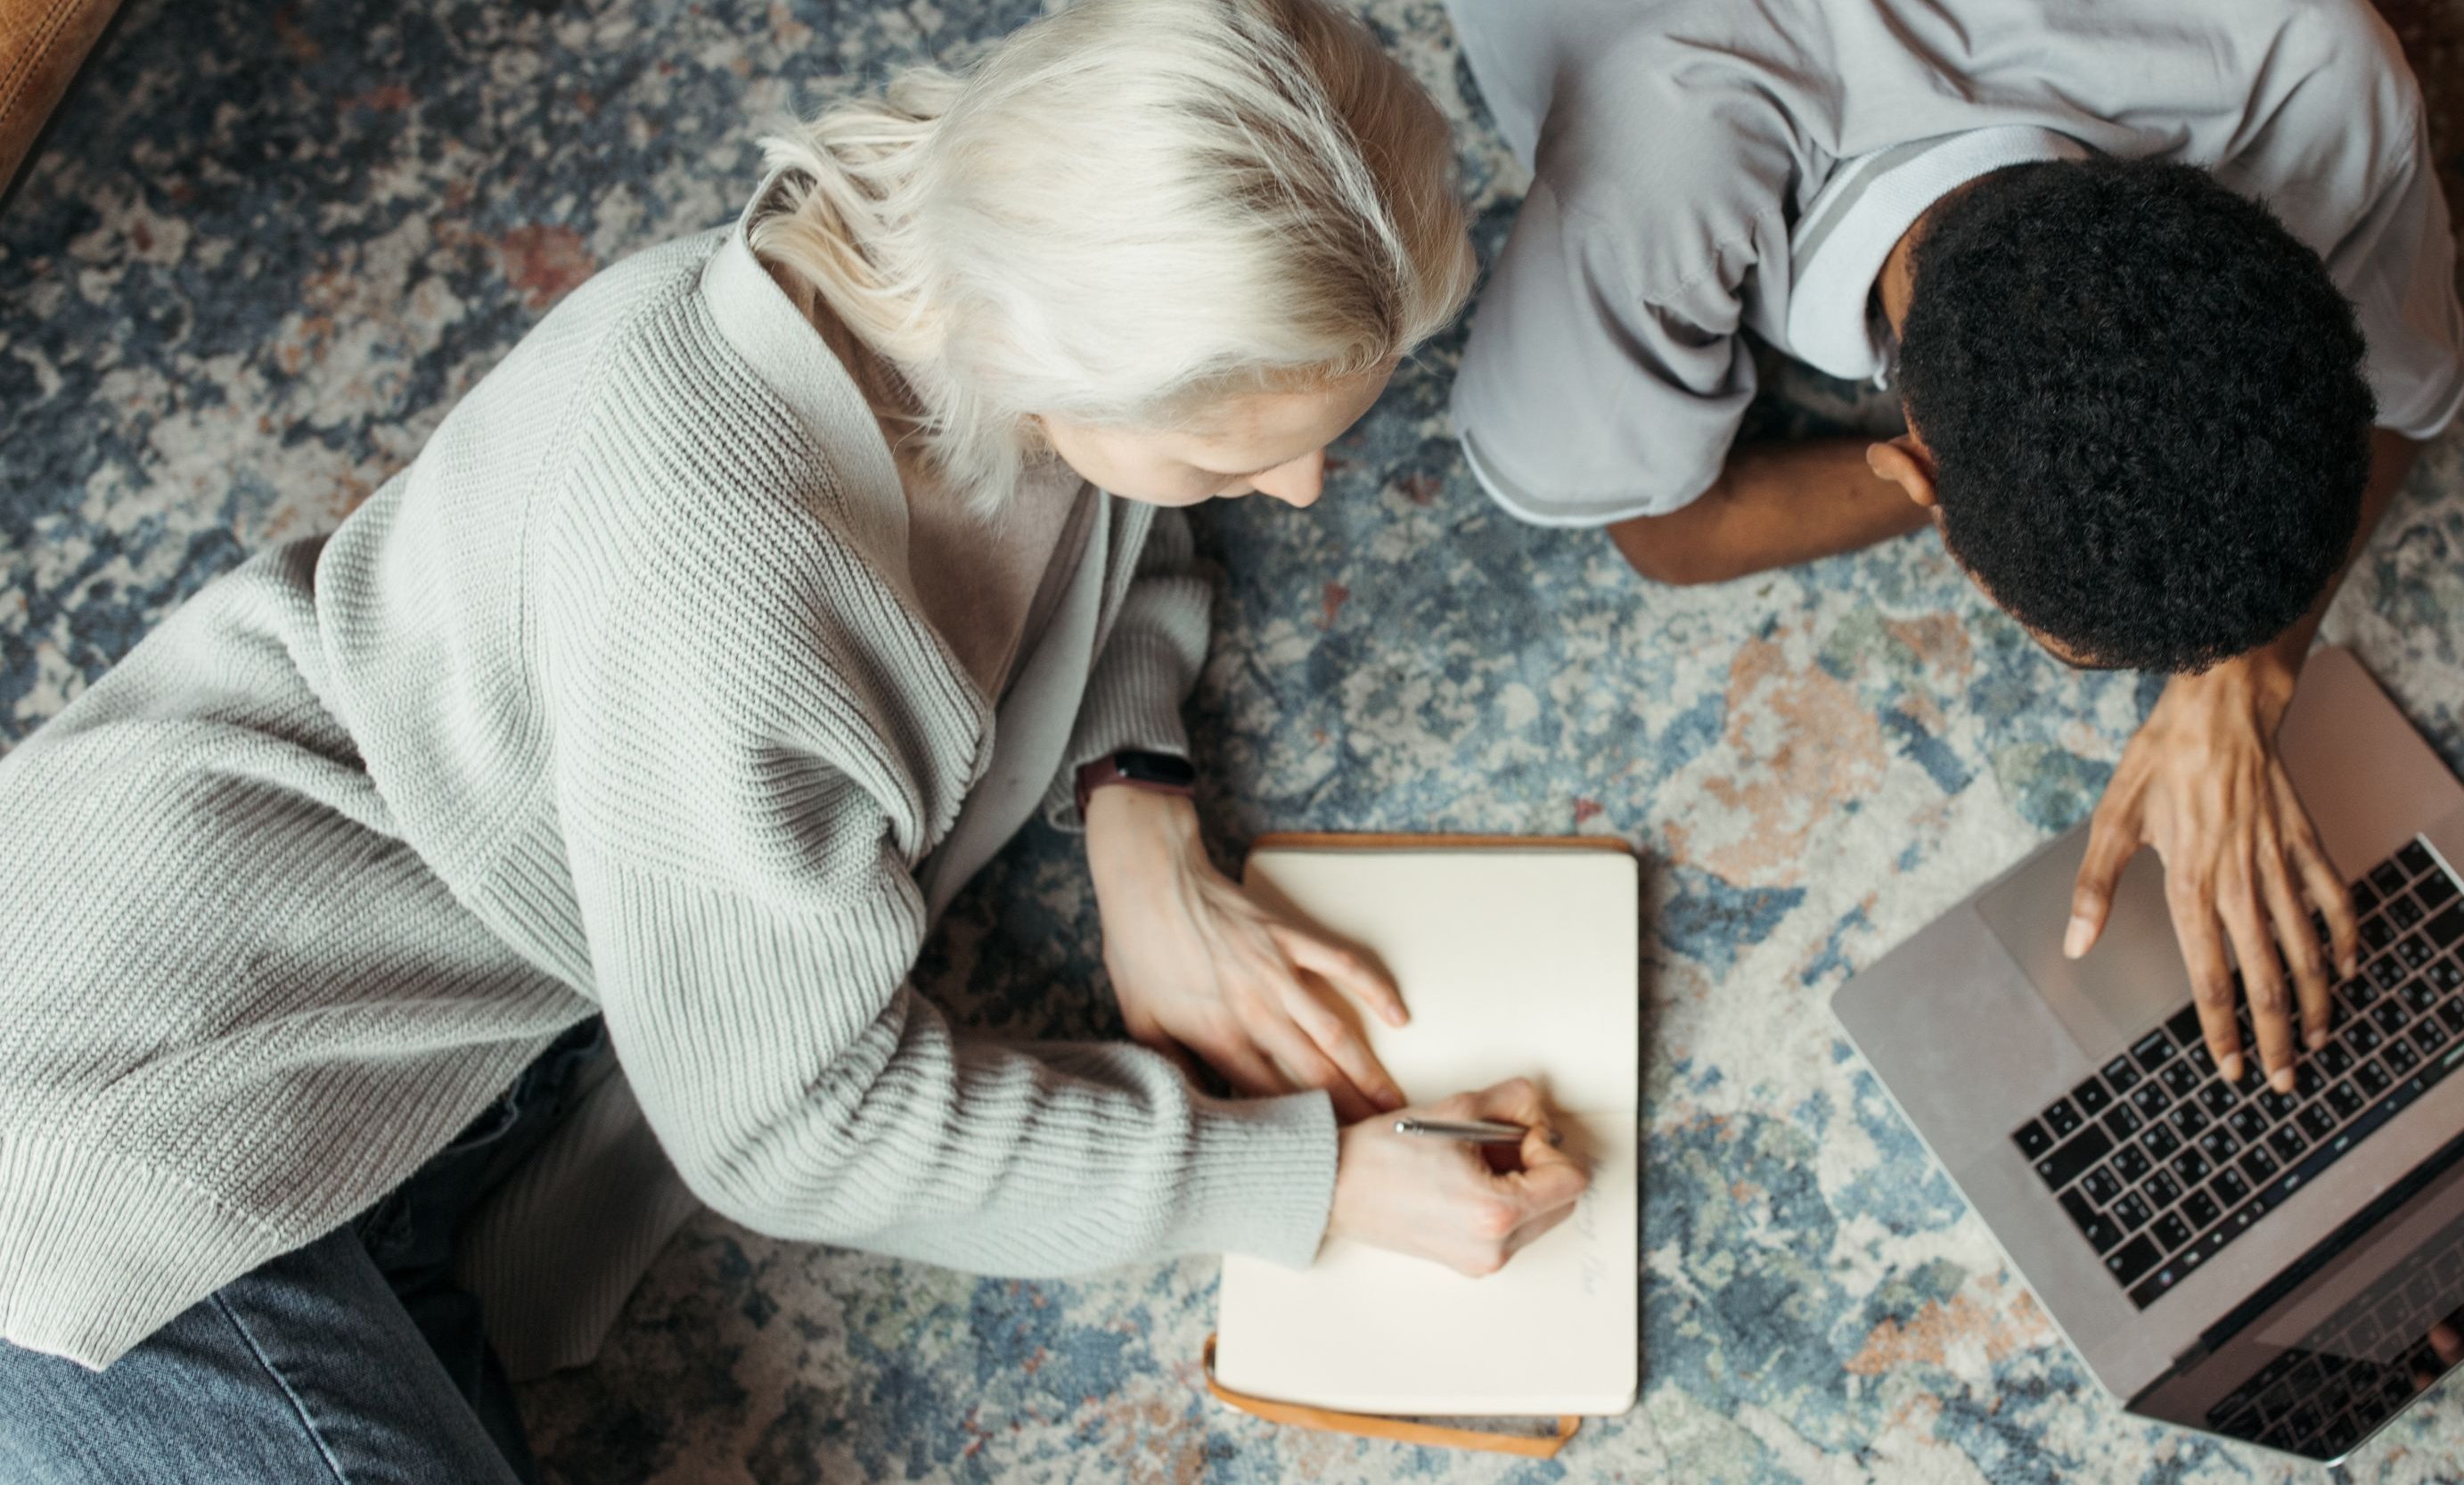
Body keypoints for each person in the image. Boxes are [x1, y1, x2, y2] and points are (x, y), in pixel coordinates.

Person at [0, 3, 1584, 1480]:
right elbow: (791, 1120)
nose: (1302, 494)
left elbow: (1106, 521)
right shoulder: (737, 581)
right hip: (111, 1121)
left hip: (382, 1091)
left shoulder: (957, 261)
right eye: (1242, 453)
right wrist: (1302, 1182)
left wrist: (1141, 817)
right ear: (1063, 360)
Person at [1444, 0, 2464, 1093]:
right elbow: (1665, 530)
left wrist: (2240, 688)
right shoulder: (1649, 152)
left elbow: (2386, 403)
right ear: (1905, 471)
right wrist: (1992, 472)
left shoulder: (2315, 56)